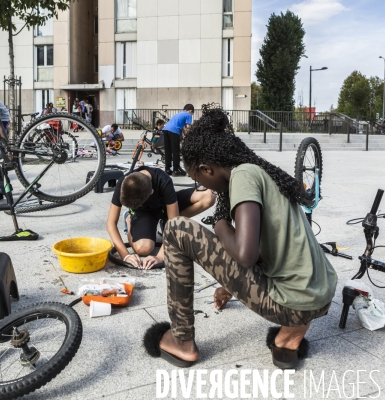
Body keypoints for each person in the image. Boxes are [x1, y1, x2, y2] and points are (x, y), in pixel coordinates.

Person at [143, 105, 337, 370]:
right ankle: (289, 337)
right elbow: (263, 249)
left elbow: (245, 254)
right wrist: (230, 285)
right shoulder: (260, 172)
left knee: (177, 229)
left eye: (198, 180)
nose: (202, 188)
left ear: (206, 169)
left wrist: (219, 221)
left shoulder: (243, 176)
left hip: (292, 302)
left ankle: (181, 341)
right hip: (319, 293)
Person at [106, 167, 215, 269]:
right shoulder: (124, 182)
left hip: (165, 206)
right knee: (143, 249)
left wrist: (160, 257)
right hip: (145, 213)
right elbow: (111, 223)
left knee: (208, 196)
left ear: (152, 192)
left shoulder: (163, 179)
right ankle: (130, 219)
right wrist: (125, 255)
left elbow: (175, 226)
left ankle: (165, 223)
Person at [162, 104, 194, 176]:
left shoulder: (178, 114)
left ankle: (167, 169)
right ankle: (175, 170)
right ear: (190, 111)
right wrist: (190, 135)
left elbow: (179, 126)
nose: (192, 114)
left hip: (166, 130)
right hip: (174, 131)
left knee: (168, 151)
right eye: (192, 113)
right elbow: (188, 127)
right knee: (175, 151)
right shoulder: (189, 115)